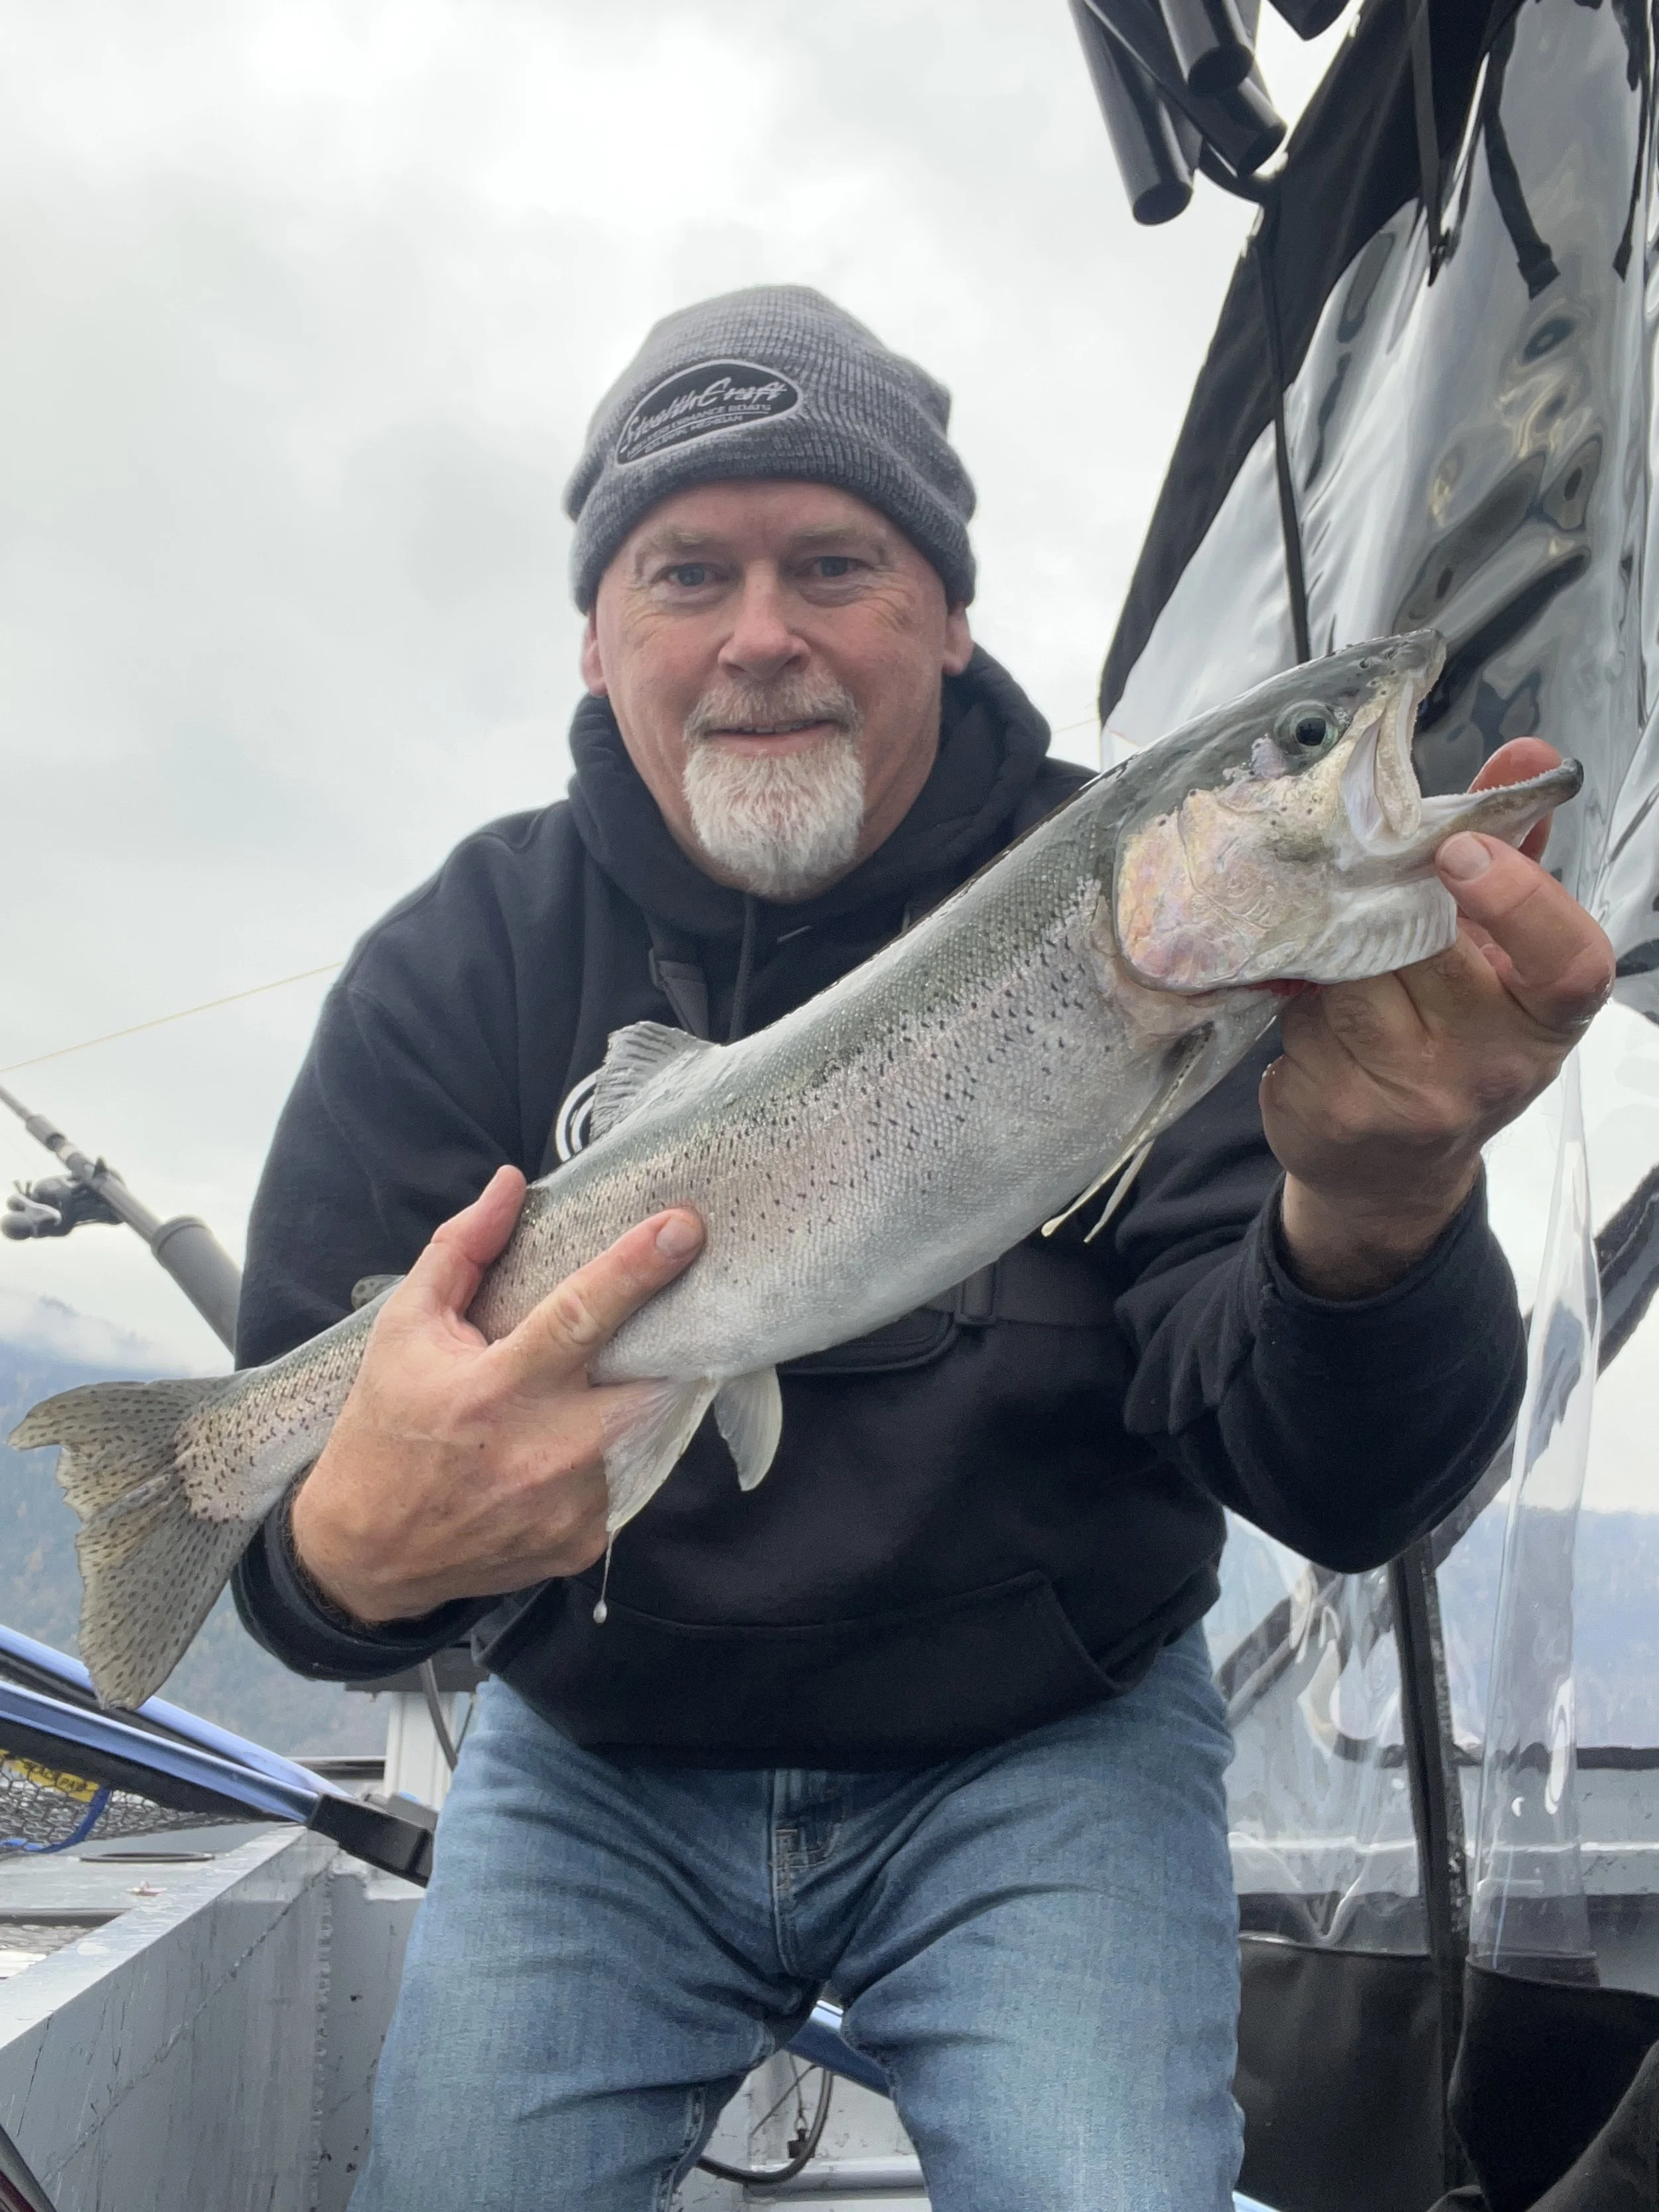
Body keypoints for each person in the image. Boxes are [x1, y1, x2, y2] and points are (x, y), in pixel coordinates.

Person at [232, 285, 1615, 2212]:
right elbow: (292, 1578)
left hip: (1046, 1749)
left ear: (949, 610)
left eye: (834, 562)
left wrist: (1382, 1201)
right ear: (595, 632)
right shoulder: (458, 968)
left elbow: (1345, 1486)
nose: (761, 633)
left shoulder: (1221, 973)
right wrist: (339, 1555)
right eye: (686, 570)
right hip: (595, 1763)